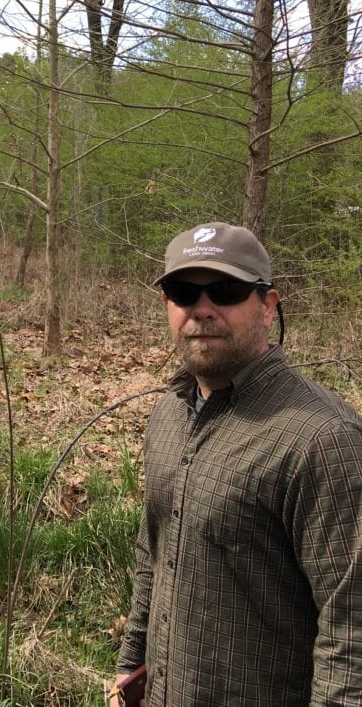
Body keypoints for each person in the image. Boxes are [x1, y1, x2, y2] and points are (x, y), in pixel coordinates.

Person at [109, 221, 362, 706]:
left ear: (268, 306)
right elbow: (153, 555)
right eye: (184, 292)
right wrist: (131, 669)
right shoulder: (168, 413)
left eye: (225, 291)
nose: (202, 310)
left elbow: (351, 628)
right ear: (167, 305)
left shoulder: (322, 439)